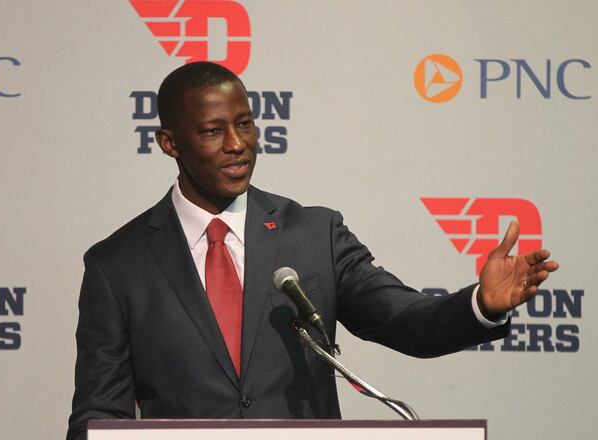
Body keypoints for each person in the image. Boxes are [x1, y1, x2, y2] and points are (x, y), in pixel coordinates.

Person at [66, 62, 559, 440]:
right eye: (214, 131)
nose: (238, 144)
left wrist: (481, 305)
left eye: (245, 124)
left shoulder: (313, 233)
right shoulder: (117, 266)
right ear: (169, 143)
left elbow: (405, 320)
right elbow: (98, 416)